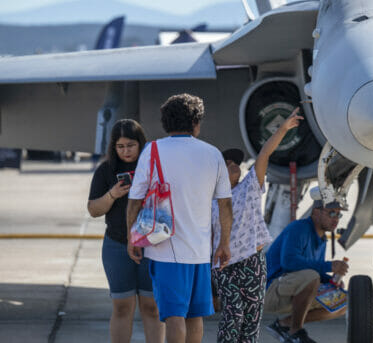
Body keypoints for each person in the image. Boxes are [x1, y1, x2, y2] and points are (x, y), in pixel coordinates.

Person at [127, 93, 233, 343]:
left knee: (174, 316)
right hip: (200, 250)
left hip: (165, 248)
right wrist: (224, 243)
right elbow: (225, 203)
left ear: (166, 122)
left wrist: (131, 237)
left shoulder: (153, 150)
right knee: (195, 317)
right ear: (196, 123)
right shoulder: (213, 154)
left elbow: (134, 200)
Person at [212, 107, 304, 342]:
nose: (233, 164)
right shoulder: (208, 200)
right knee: (234, 313)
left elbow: (264, 154)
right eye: (227, 162)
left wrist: (283, 128)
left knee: (251, 319)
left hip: (253, 262)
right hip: (225, 265)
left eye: (235, 162)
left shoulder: (249, 186)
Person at [87, 119, 165, 343]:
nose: (125, 151)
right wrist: (112, 195)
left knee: (152, 307)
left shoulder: (153, 167)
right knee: (122, 306)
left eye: (130, 145)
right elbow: (93, 210)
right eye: (120, 146)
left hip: (152, 244)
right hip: (117, 244)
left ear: (140, 143)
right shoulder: (106, 170)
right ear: (113, 147)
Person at [264, 190, 349, 343]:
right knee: (311, 276)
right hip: (271, 291)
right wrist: (329, 266)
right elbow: (289, 262)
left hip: (292, 290)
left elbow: (314, 269)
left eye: (338, 215)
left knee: (343, 301)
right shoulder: (299, 228)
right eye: (331, 213)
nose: (336, 219)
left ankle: (284, 325)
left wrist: (332, 282)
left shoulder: (321, 239)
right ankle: (296, 332)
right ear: (316, 212)